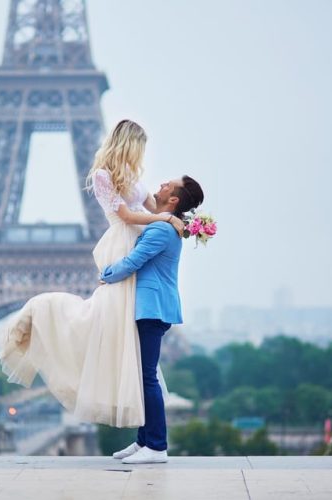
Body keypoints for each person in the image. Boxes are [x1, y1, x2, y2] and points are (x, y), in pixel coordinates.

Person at [0, 119, 184, 428]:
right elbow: (125, 214)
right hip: (122, 240)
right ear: (129, 144)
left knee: (125, 329)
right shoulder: (102, 175)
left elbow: (153, 208)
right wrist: (163, 218)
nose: (142, 155)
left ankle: (145, 436)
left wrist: (181, 219)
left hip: (139, 237)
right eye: (140, 147)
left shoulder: (134, 176)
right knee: (109, 315)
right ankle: (43, 316)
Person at [102, 175, 204, 464]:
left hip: (152, 308)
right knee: (143, 375)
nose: (159, 186)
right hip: (152, 307)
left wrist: (105, 275)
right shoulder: (164, 224)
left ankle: (156, 446)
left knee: (147, 377)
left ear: (173, 200)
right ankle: (144, 441)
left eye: (166, 186)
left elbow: (134, 261)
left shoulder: (160, 229)